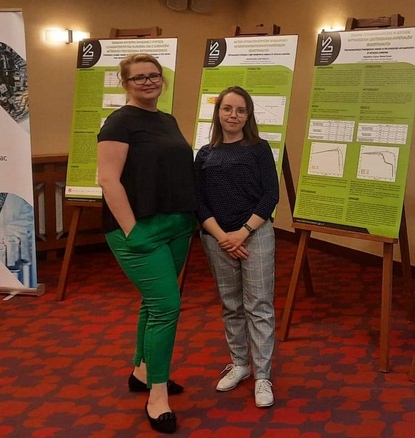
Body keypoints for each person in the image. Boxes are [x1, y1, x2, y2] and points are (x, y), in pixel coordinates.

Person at [97, 54, 197, 434]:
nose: (148, 82)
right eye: (138, 77)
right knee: (167, 307)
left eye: (154, 75)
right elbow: (108, 180)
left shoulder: (167, 120)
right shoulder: (119, 122)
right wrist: (131, 231)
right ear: (125, 82)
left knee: (154, 304)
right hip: (138, 230)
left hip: (176, 225)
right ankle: (157, 396)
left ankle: (142, 370)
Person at [195, 86, 280, 409]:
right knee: (231, 305)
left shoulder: (258, 149)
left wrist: (242, 233)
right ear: (218, 113)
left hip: (254, 234)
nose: (233, 115)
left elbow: (271, 195)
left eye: (240, 110)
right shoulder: (205, 154)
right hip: (217, 238)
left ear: (248, 115)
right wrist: (223, 237)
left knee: (258, 306)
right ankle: (240, 363)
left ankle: (262, 376)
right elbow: (198, 202)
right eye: (227, 109)